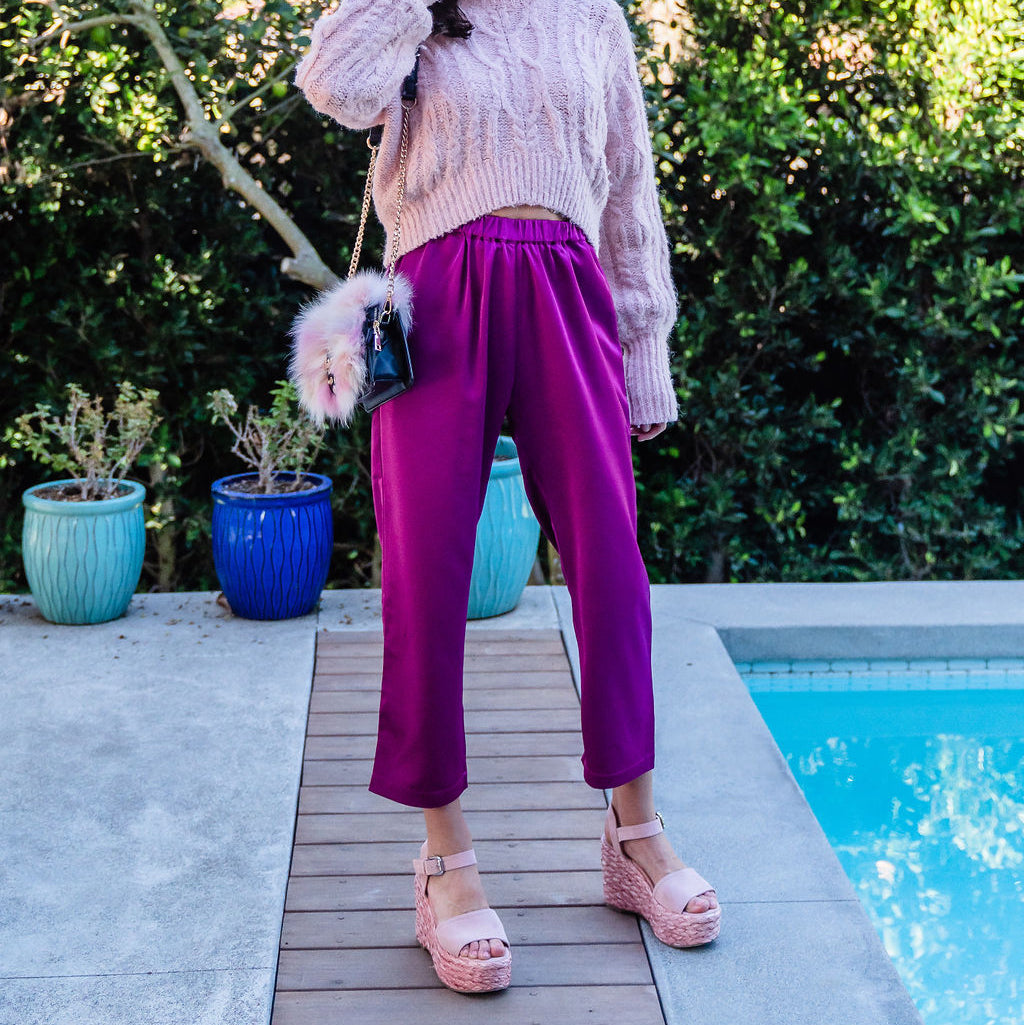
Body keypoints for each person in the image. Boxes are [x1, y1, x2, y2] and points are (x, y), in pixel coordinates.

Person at [294, 0, 720, 993]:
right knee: (426, 578)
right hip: (439, 290)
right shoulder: (417, 14)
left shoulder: (594, 16)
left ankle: (635, 832)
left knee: (611, 565)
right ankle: (445, 858)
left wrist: (645, 354)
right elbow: (335, 83)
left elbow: (628, 191)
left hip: (569, 288)